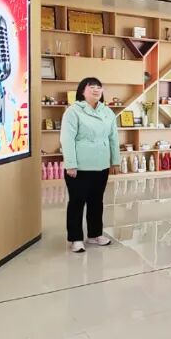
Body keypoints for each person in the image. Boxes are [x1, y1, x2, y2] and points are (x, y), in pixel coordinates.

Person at [60, 77, 120, 253]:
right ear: (82, 91)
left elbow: (113, 138)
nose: (96, 90)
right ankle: (76, 238)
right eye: (91, 87)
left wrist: (115, 161)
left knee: (96, 201)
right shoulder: (73, 111)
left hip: (101, 164)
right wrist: (71, 164)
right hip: (80, 166)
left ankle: (95, 235)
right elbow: (67, 139)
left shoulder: (107, 112)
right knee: (77, 202)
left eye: (99, 87)